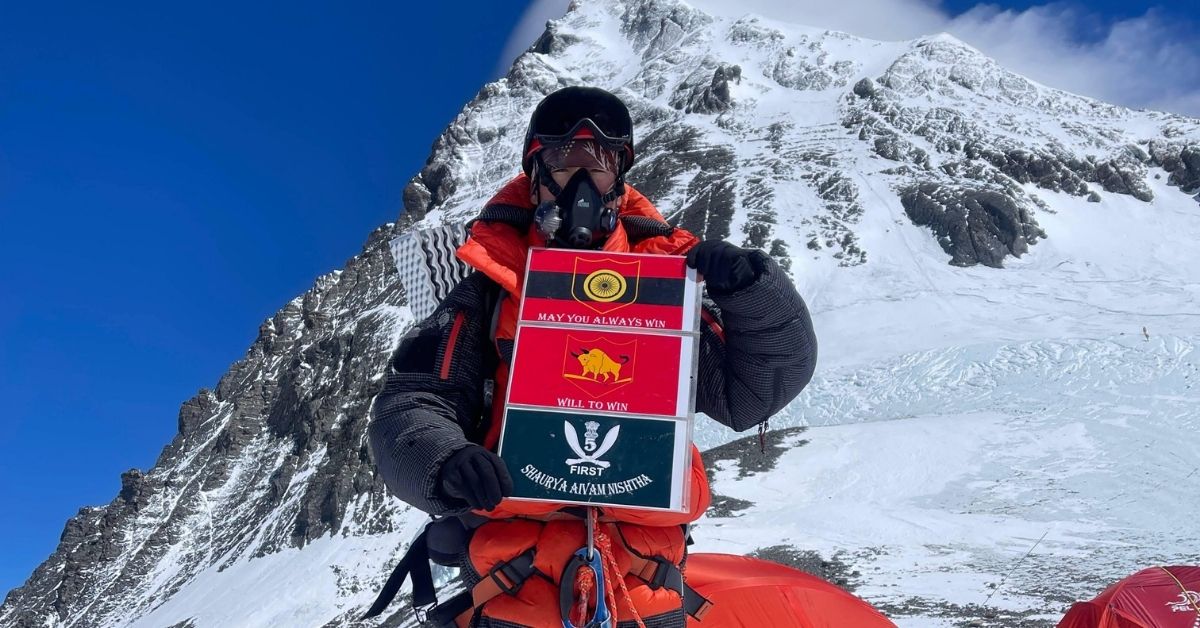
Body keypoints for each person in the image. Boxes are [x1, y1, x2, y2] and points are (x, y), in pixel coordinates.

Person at [367, 86, 817, 627]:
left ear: (621, 174)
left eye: (601, 163)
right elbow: (413, 401)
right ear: (535, 172)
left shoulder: (669, 284)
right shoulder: (489, 286)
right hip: (513, 588)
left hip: (646, 593)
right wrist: (442, 461)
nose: (582, 181)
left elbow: (753, 393)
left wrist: (754, 294)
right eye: (563, 160)